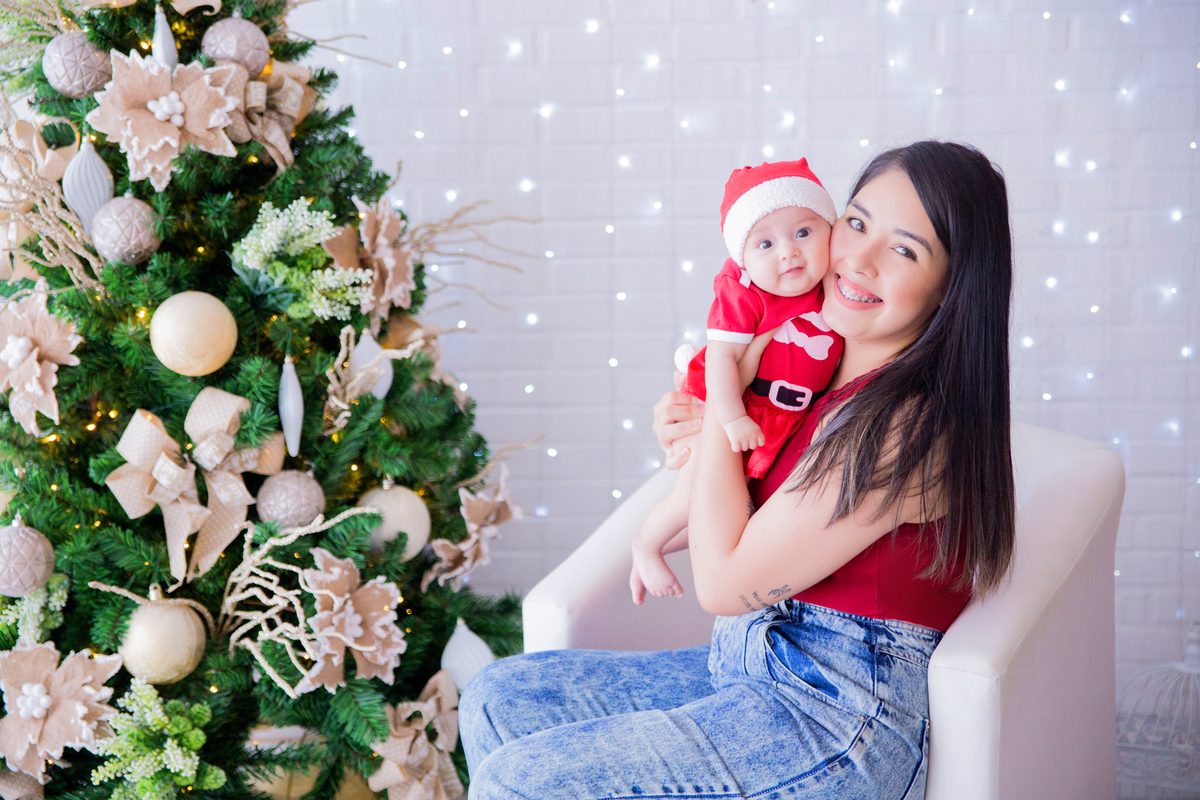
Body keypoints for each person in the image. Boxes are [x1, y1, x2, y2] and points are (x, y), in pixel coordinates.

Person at [458, 140, 1017, 800]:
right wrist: (701, 424)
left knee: (521, 781)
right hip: (752, 661)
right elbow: (734, 520)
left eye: (904, 249)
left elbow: (723, 583)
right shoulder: (816, 362)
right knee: (499, 697)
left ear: (952, 288)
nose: (858, 259)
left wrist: (730, 394)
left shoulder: (908, 426)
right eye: (857, 223)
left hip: (839, 717)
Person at [631, 158, 844, 604]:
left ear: (831, 229)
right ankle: (646, 545)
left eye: (804, 233)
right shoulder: (745, 293)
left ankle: (671, 541)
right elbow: (725, 360)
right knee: (691, 492)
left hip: (781, 414)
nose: (788, 251)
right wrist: (729, 419)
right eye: (765, 243)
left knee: (736, 506)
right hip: (733, 404)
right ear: (743, 258)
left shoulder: (834, 288)